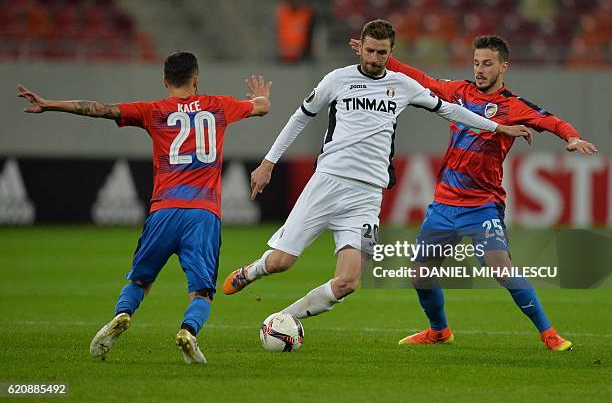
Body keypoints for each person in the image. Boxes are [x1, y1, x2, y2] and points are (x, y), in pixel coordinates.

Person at [222, 20, 531, 324]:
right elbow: (299, 118)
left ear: (390, 52)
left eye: (381, 53)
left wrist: (498, 127)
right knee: (281, 262)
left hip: (368, 197)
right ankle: (252, 271)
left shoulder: (403, 86)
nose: (373, 58)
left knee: (348, 282)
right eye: (369, 51)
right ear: (361, 49)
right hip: (327, 182)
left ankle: (283, 320)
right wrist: (268, 163)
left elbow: (451, 109)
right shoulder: (337, 80)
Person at [17, 52, 272, 364]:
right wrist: (260, 95)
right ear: (196, 78)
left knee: (140, 281)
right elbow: (262, 107)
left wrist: (49, 104)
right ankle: (188, 332)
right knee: (202, 292)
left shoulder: (153, 111)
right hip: (204, 213)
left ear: (165, 81)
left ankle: (123, 314)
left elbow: (99, 109)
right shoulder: (218, 106)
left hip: (164, 210)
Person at [349, 35, 598, 351]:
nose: (480, 70)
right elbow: (421, 79)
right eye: (477, 63)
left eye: (487, 64)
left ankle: (549, 334)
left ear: (503, 66)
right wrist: (385, 61)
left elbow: (551, 121)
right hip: (444, 203)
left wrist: (572, 137)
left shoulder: (513, 106)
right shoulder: (459, 92)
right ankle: (439, 332)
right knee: (420, 276)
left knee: (500, 269)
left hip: (482, 205)